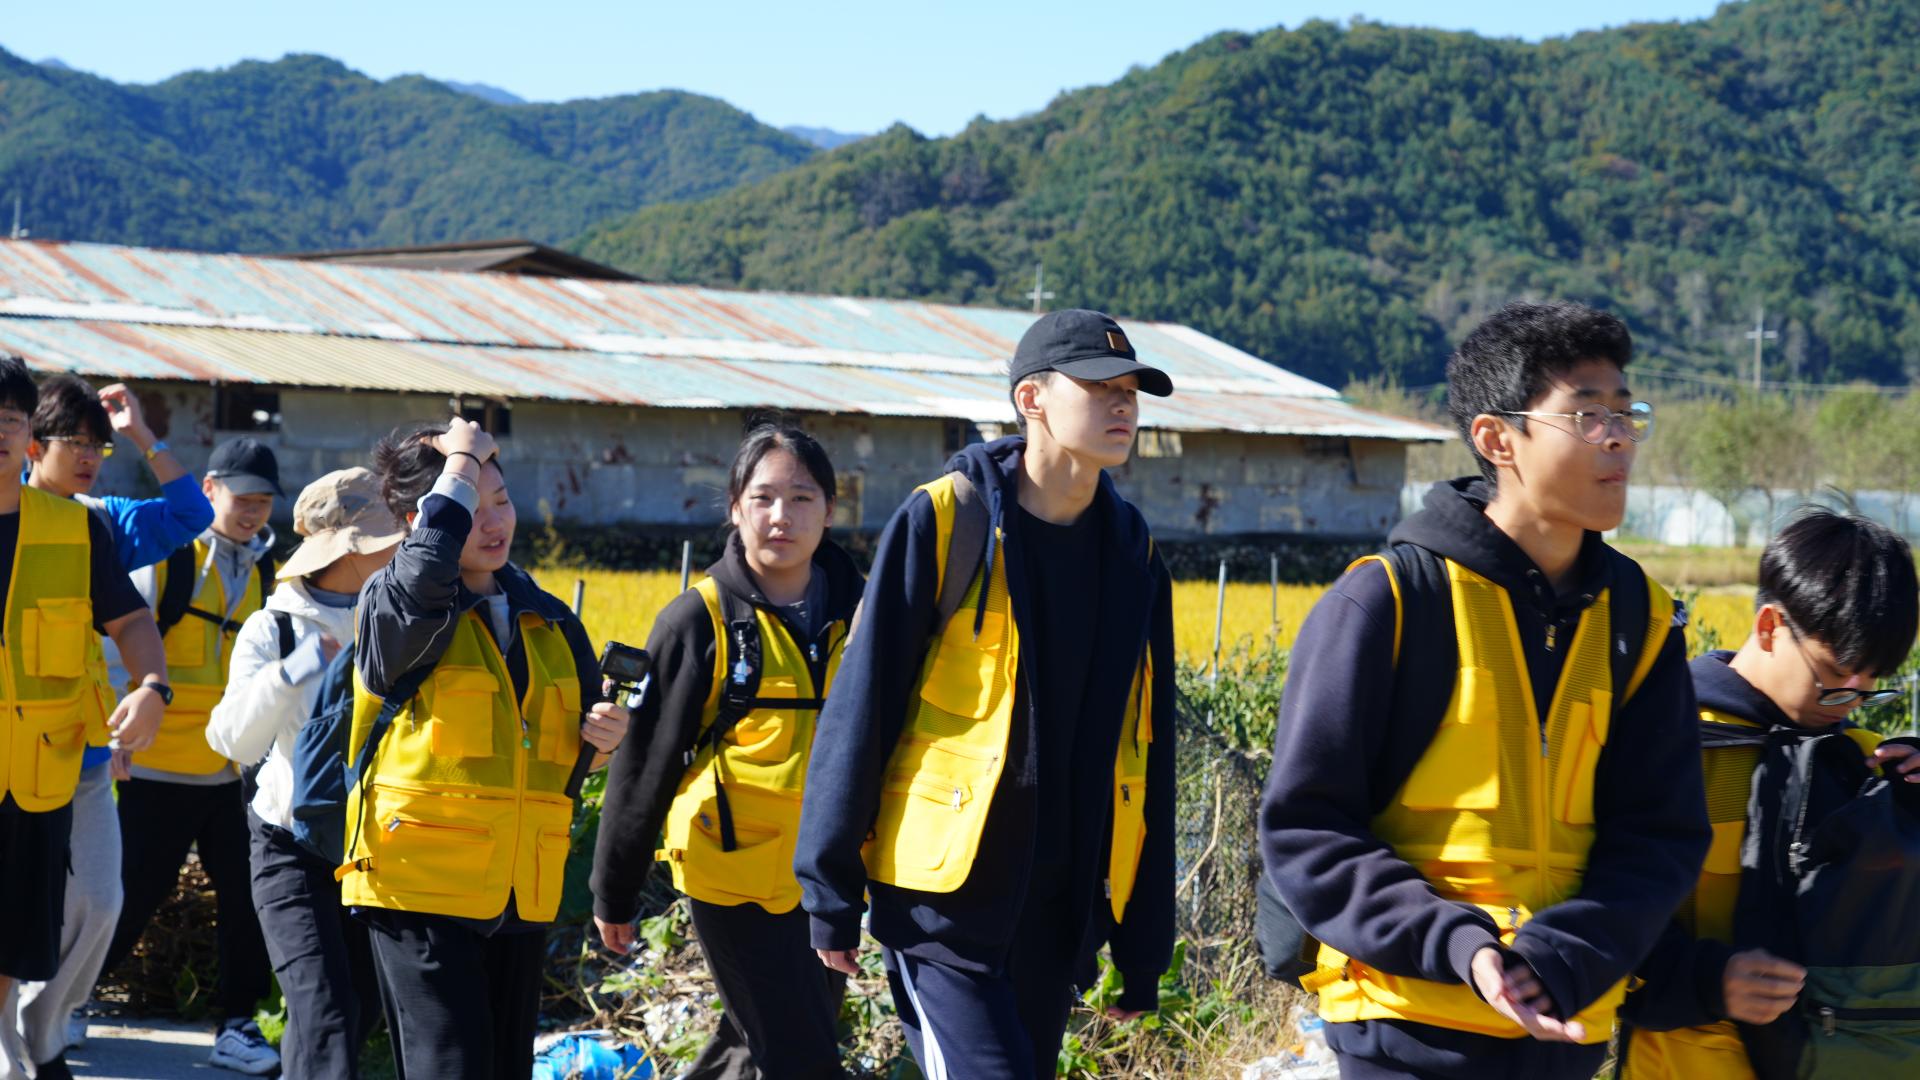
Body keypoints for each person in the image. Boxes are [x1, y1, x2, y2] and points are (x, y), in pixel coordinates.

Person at [1259, 301, 1711, 1079]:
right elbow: (1307, 828)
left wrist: (1564, 953)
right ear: (1498, 439)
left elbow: (1661, 837)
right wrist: (1461, 946)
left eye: (1626, 413)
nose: (1617, 438)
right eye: (1586, 415)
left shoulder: (1640, 621)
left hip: (1563, 1029)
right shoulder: (1389, 602)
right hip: (1403, 1025)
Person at [793, 309, 1178, 1079]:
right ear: (1032, 399)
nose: (1122, 403)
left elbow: (1149, 750)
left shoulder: (1134, 555)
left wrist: (1142, 947)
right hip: (942, 905)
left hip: (1059, 914)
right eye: (1099, 386)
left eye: (1132, 389)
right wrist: (828, 887)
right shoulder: (948, 520)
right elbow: (863, 706)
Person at [346, 417, 630, 1079]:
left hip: (518, 891)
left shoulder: (550, 618)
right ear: (423, 519)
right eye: (473, 508)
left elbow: (559, 758)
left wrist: (606, 742)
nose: (495, 521)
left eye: (501, 501)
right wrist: (461, 467)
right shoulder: (396, 605)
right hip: (419, 886)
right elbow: (423, 577)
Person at [592, 424, 864, 1080]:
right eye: (763, 498)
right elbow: (645, 764)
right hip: (731, 874)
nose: (781, 516)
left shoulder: (864, 612)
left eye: (801, 498)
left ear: (830, 510)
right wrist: (614, 891)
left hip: (826, 877)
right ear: (736, 508)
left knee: (754, 1045)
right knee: (802, 1055)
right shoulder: (698, 620)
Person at [1619, 509, 1920, 1079]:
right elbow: (1594, 916)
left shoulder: (1861, 762)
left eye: (1870, 687)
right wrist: (1707, 981)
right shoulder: (1667, 743)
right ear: (1767, 626)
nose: (1850, 702)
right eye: (1833, 676)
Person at [10, 375, 212, 1080]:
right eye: (76, 442)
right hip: (13, 751)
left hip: (83, 746)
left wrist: (142, 435)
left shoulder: (98, 522)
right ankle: (16, 1044)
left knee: (99, 903)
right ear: (33, 444)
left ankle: (43, 1020)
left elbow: (190, 514)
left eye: (99, 446)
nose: (90, 457)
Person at [204, 468, 405, 1080]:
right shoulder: (275, 628)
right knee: (325, 1015)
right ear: (349, 550)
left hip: (373, 848)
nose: (402, 552)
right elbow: (233, 739)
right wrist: (291, 673)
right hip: (289, 844)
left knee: (358, 1009)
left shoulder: (403, 621)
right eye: (388, 540)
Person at [99, 436, 285, 1075]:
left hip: (234, 769)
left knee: (248, 901)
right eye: (243, 498)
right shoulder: (171, 557)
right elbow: (116, 647)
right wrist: (112, 738)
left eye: (263, 502)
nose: (253, 512)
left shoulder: (266, 568)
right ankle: (64, 998)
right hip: (157, 763)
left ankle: (238, 1024)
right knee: (127, 896)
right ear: (209, 490)